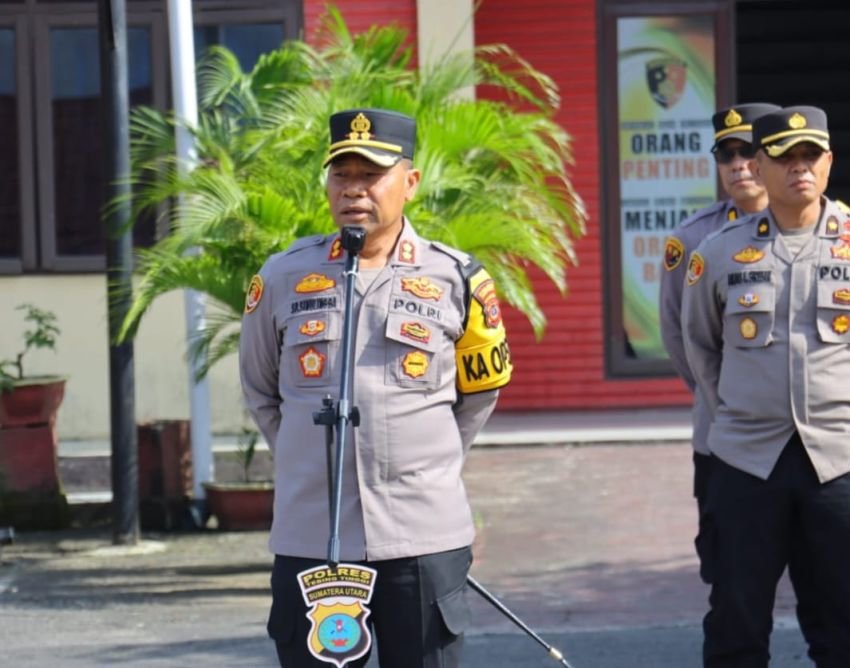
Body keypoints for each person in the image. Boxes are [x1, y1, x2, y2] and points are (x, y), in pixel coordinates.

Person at [239, 108, 512, 667]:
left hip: (420, 536)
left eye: (372, 175)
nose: (354, 190)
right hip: (313, 533)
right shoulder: (283, 276)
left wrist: (424, 463)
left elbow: (480, 393)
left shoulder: (457, 278)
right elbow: (262, 392)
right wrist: (311, 461)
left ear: (409, 182)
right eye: (342, 174)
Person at [682, 105, 850, 667]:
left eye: (810, 156)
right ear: (760, 164)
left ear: (828, 162)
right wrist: (737, 410)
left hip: (839, 462)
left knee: (842, 623)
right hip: (747, 463)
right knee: (736, 622)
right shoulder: (720, 251)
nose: (799, 168)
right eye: (785, 157)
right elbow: (699, 347)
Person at [659, 102, 777, 584]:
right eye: (726, 155)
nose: (738, 165)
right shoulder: (692, 240)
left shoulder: (829, 233)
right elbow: (681, 337)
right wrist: (724, 400)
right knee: (731, 581)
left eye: (748, 152)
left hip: (812, 444)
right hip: (723, 436)